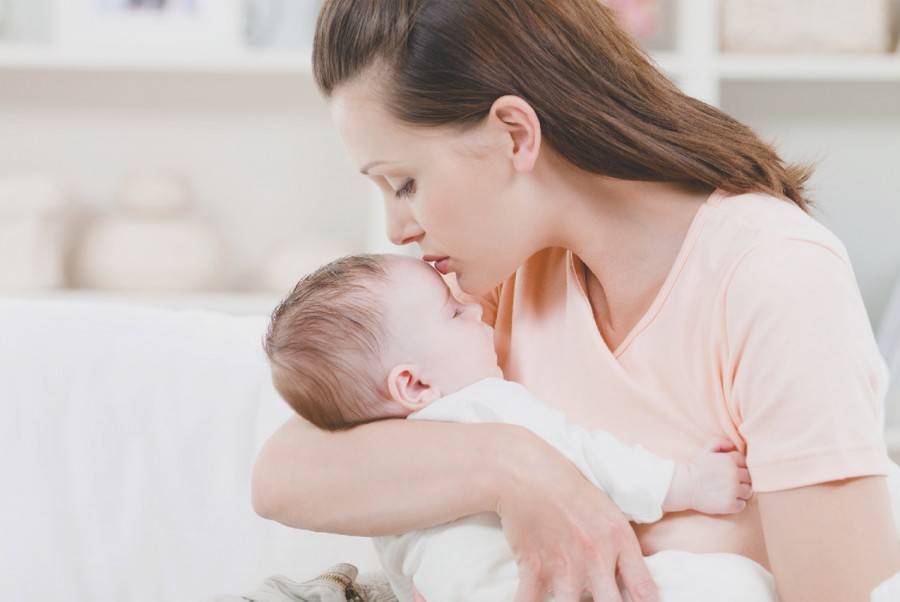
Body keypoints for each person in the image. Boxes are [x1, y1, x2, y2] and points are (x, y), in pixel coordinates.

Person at [251, 2, 900, 601]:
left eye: (404, 183)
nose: (397, 230)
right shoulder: (491, 281)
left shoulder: (773, 278)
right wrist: (518, 468)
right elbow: (283, 474)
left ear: (513, 135)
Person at [262, 252, 764, 601]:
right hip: (543, 587)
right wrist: (686, 483)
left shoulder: (386, 466)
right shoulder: (484, 406)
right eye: (454, 313)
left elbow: (402, 571)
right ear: (413, 384)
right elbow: (589, 460)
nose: (472, 307)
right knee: (736, 585)